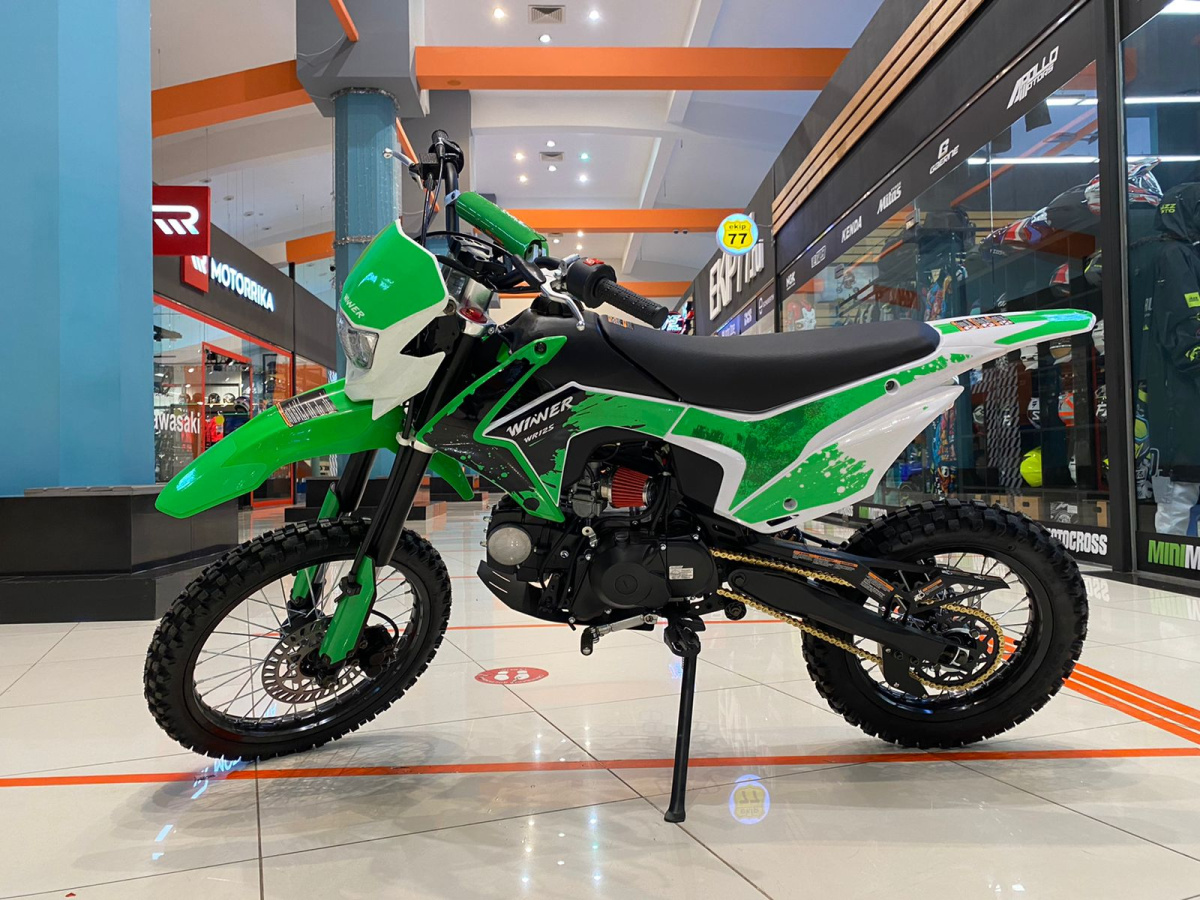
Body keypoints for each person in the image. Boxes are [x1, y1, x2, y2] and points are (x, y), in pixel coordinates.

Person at [1142, 183, 1200, 534]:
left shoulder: (1157, 254)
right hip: (1182, 400)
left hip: (1169, 403)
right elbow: (1186, 326)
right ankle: (1170, 558)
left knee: (1175, 494)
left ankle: (1169, 556)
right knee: (1179, 492)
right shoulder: (1176, 256)